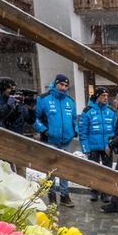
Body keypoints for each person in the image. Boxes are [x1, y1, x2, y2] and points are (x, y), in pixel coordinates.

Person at [34, 74, 77, 207]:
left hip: (66, 141)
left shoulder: (70, 101)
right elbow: (35, 118)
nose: (63, 88)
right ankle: (51, 195)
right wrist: (44, 130)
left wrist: (74, 131)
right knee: (50, 170)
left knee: (65, 169)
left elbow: (74, 119)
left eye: (66, 85)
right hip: (50, 140)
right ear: (56, 83)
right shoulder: (43, 99)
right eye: (61, 84)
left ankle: (64, 195)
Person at [78, 86, 116, 203]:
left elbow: (115, 130)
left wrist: (113, 144)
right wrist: (85, 147)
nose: (106, 98)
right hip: (93, 147)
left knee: (107, 171)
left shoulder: (111, 112)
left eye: (107, 96)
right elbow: (82, 131)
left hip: (107, 147)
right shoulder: (87, 111)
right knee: (93, 170)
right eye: (103, 96)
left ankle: (105, 192)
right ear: (97, 96)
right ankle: (94, 191)